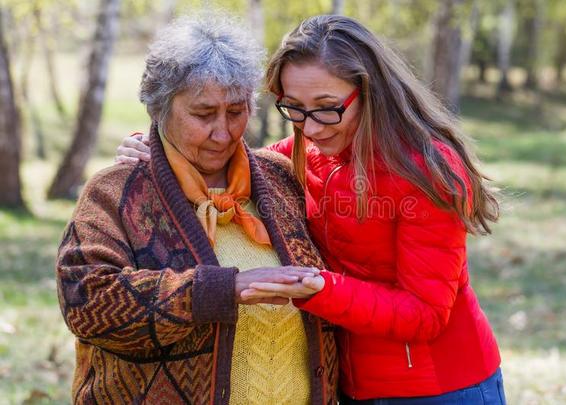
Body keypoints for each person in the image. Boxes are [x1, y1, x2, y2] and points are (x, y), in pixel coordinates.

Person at [117, 14, 506, 405]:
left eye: (327, 107)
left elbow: (425, 315)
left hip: (441, 389)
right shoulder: (307, 153)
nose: (312, 128)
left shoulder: (424, 170)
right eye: (295, 109)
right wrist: (157, 148)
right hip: (353, 387)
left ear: (369, 92)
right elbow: (234, 162)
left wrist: (322, 288)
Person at [56, 15, 338, 405]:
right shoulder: (116, 192)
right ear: (160, 108)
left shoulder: (280, 178)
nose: (222, 133)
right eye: (203, 115)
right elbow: (86, 301)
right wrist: (221, 289)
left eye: (236, 112)